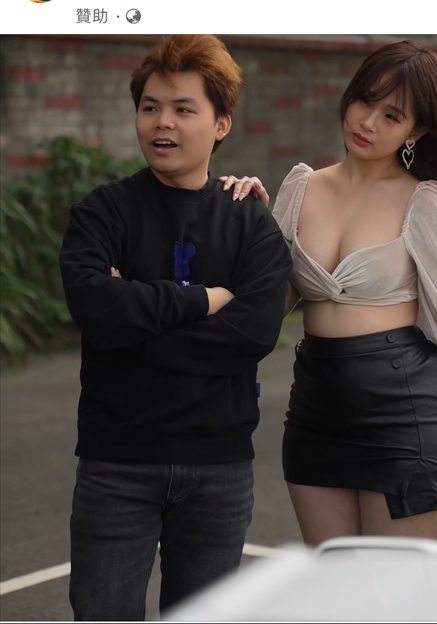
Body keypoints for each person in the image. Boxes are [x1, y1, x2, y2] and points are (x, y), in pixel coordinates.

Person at [60, 34, 292, 620]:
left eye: (184, 109)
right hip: (117, 461)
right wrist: (202, 300)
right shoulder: (102, 213)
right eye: (150, 107)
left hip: (218, 467)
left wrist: (132, 325)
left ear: (221, 125)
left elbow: (252, 335)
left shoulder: (250, 223)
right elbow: (93, 306)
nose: (162, 123)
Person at [220, 40, 437, 546]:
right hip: (317, 407)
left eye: (391, 115)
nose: (368, 122)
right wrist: (242, 223)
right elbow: (268, 300)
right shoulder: (302, 186)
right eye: (365, 100)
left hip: (406, 415)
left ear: (416, 130)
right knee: (332, 581)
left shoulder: (427, 201)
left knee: (390, 586)